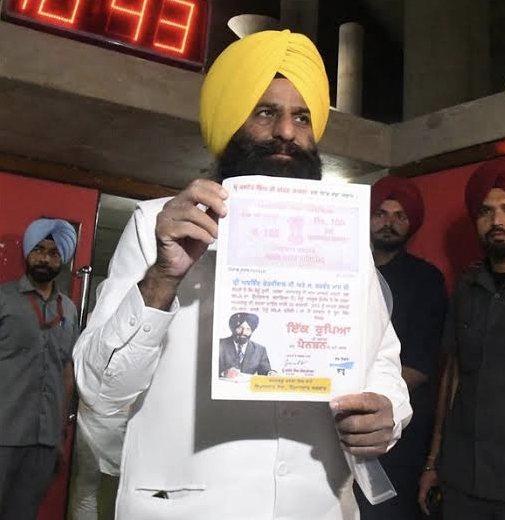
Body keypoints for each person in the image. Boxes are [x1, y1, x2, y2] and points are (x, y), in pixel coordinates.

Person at [73, 29, 412, 520]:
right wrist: (163, 278)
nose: (287, 132)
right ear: (231, 122)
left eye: (302, 117)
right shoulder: (155, 225)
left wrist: (388, 411)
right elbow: (99, 387)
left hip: (315, 505)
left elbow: (381, 358)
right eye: (265, 112)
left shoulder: (343, 239)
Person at [418, 158, 505, 520]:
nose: (497, 221)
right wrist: (433, 461)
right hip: (462, 479)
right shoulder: (466, 287)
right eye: (486, 211)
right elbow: (452, 376)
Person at [354, 177, 447, 520]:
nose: (388, 223)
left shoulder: (426, 280)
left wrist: (360, 400)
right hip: (337, 424)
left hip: (398, 431)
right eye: (380, 213)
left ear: (412, 224)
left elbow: (420, 365)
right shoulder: (347, 271)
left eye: (400, 216)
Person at [0, 218, 78, 520]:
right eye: (39, 250)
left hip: (44, 441)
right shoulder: (4, 299)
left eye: (54, 253)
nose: (45, 258)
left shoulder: (68, 309)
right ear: (28, 253)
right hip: (4, 432)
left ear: (62, 260)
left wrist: (59, 433)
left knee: (24, 514)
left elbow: (67, 371)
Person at [219, 312, 273, 377]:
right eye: (240, 328)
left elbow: (265, 372)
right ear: (232, 328)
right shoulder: (219, 344)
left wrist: (271, 374)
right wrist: (223, 373)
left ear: (252, 331)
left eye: (248, 329)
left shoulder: (260, 350)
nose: (243, 332)